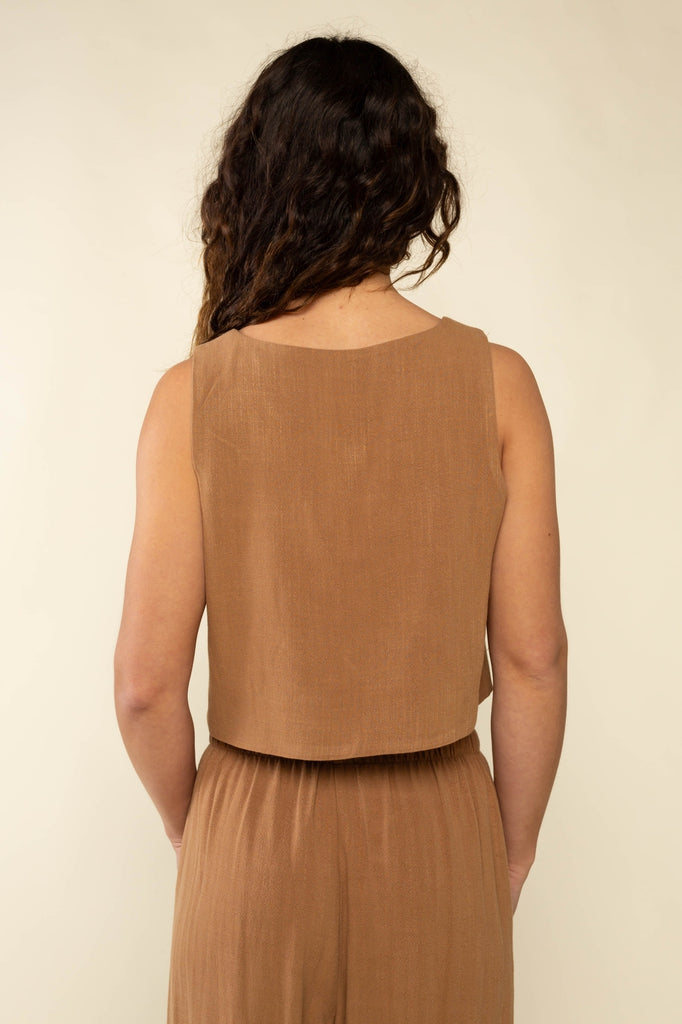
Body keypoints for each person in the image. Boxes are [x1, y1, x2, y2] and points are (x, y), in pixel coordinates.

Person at [113, 32, 567, 1024]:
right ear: (411, 187)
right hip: (440, 830)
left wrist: (211, 837)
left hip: (250, 835)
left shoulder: (192, 396)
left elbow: (146, 687)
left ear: (260, 179)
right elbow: (531, 657)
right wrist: (514, 847)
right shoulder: (499, 388)